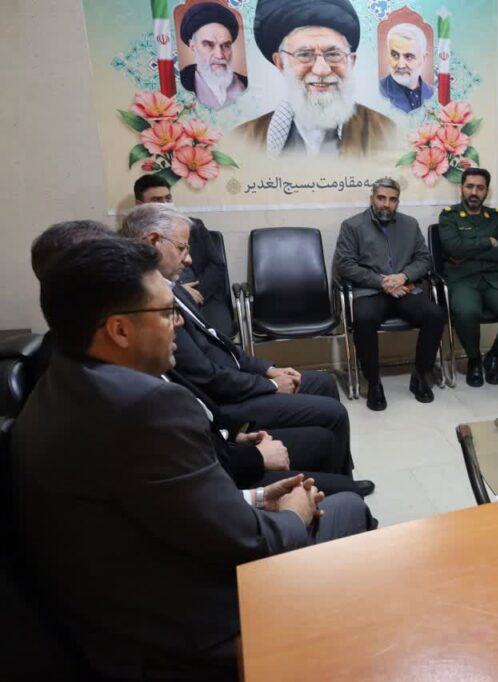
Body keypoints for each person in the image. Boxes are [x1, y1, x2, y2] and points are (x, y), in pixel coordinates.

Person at [12, 238, 372, 680]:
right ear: (120, 330)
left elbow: (167, 507)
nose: (179, 321)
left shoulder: (61, 381)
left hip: (118, 613)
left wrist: (260, 500)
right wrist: (293, 514)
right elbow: (247, 543)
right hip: (190, 633)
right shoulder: (147, 407)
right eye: (166, 312)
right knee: (346, 508)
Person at [119, 204, 373, 496]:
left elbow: (221, 343)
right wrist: (270, 385)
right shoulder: (151, 303)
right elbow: (206, 376)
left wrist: (268, 370)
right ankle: (335, 489)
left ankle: (339, 477)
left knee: (325, 383)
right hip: (227, 398)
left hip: (237, 379)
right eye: (181, 248)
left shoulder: (173, 288)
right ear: (153, 241)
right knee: (332, 414)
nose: (189, 259)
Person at [332, 177, 447, 410]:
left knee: (435, 315)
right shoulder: (352, 226)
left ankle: (420, 375)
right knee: (364, 319)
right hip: (369, 291)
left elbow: (424, 259)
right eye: (381, 198)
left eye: (393, 199)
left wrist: (403, 276)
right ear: (372, 198)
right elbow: (345, 265)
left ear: (398, 202)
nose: (387, 204)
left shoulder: (410, 225)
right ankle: (373, 382)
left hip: (405, 289)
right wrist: (382, 282)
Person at [237, 0, 396, 157]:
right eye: (305, 55)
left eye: (333, 54)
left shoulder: (384, 131)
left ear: (351, 61)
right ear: (281, 63)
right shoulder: (245, 139)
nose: (321, 70)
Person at [438, 167, 498, 386]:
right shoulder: (449, 216)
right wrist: (488, 242)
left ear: (486, 191)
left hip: (494, 280)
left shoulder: (496, 218)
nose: (474, 192)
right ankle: (474, 360)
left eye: (480, 188)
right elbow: (453, 248)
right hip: (463, 280)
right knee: (466, 311)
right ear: (462, 188)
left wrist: (466, 252)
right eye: (470, 186)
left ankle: (495, 355)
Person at [134, 174, 234, 338]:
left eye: (168, 198)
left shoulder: (193, 225)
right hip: (164, 301)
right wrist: (179, 293)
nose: (165, 204)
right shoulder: (134, 235)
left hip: (204, 295)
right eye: (157, 200)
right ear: (140, 205)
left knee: (218, 336)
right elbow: (140, 279)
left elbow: (217, 266)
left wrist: (195, 294)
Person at [179, 1, 247, 109]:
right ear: (193, 47)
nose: (219, 55)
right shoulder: (181, 83)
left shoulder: (244, 83)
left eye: (226, 46)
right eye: (209, 45)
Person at [378, 22, 434, 113]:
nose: (401, 65)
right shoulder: (377, 92)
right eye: (395, 55)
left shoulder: (434, 95)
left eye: (409, 57)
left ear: (423, 59)